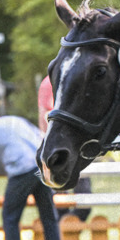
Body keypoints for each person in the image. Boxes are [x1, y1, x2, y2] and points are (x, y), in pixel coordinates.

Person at [38, 75, 92, 222]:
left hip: (78, 146)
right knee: (59, 196)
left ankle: (71, 227)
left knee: (84, 199)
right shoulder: (48, 83)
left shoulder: (80, 78)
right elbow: (43, 114)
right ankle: (65, 228)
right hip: (58, 145)